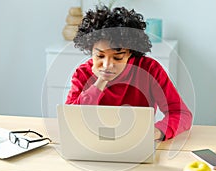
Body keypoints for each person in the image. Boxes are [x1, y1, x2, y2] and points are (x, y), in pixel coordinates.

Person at [65, 5, 193, 141]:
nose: (107, 65)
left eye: (117, 57)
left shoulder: (150, 69)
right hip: (91, 143)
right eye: (100, 56)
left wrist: (157, 131)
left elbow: (181, 113)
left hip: (136, 143)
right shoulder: (82, 73)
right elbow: (71, 119)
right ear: (90, 50)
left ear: (131, 53)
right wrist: (99, 83)